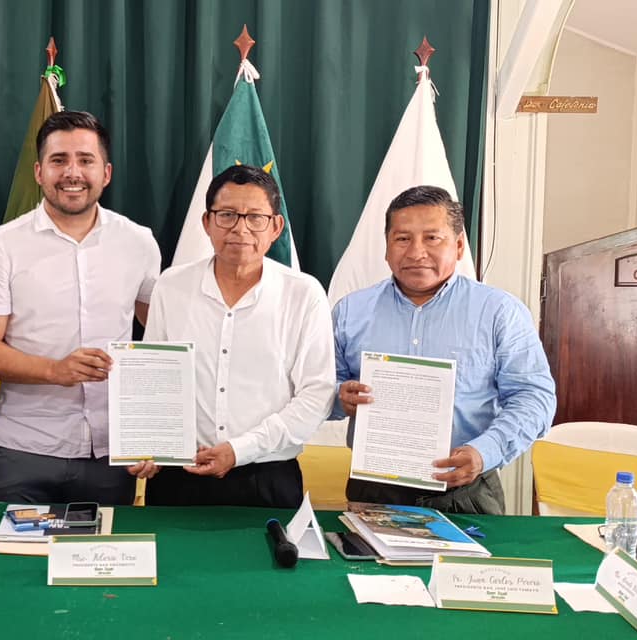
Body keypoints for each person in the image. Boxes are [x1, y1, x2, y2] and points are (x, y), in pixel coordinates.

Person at [0, 111, 162, 505]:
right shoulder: (1, 248)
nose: (72, 172)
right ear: (39, 172)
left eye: (85, 160)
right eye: (59, 160)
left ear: (106, 173)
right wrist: (55, 371)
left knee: (105, 547)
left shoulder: (139, 242)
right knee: (14, 547)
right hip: (24, 448)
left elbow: (161, 339)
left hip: (112, 452)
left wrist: (155, 430)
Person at [331, 185, 556, 514]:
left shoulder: (499, 312)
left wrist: (484, 451)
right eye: (402, 238)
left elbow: (534, 396)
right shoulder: (351, 311)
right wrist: (338, 396)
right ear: (387, 247)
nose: (416, 252)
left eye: (432, 238)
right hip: (375, 488)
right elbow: (323, 387)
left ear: (459, 245)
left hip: (467, 489)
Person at [141, 165, 335, 508]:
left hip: (267, 477)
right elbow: (153, 377)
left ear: (276, 227)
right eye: (227, 215)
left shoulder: (303, 294)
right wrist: (146, 444)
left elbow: (316, 395)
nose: (240, 229)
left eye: (255, 217)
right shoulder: (172, 286)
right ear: (207, 222)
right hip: (179, 475)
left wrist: (240, 450)